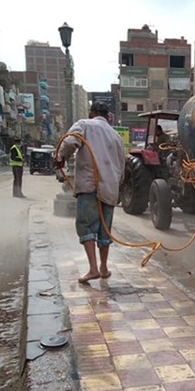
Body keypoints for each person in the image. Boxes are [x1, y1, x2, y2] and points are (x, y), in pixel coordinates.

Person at [56, 101, 125, 284]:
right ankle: (104, 268)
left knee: (86, 226)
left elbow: (69, 142)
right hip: (110, 188)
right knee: (105, 229)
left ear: (92, 112)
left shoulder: (84, 125)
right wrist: (117, 185)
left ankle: (93, 269)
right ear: (107, 116)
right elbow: (122, 166)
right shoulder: (116, 136)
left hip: (90, 186)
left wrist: (61, 158)